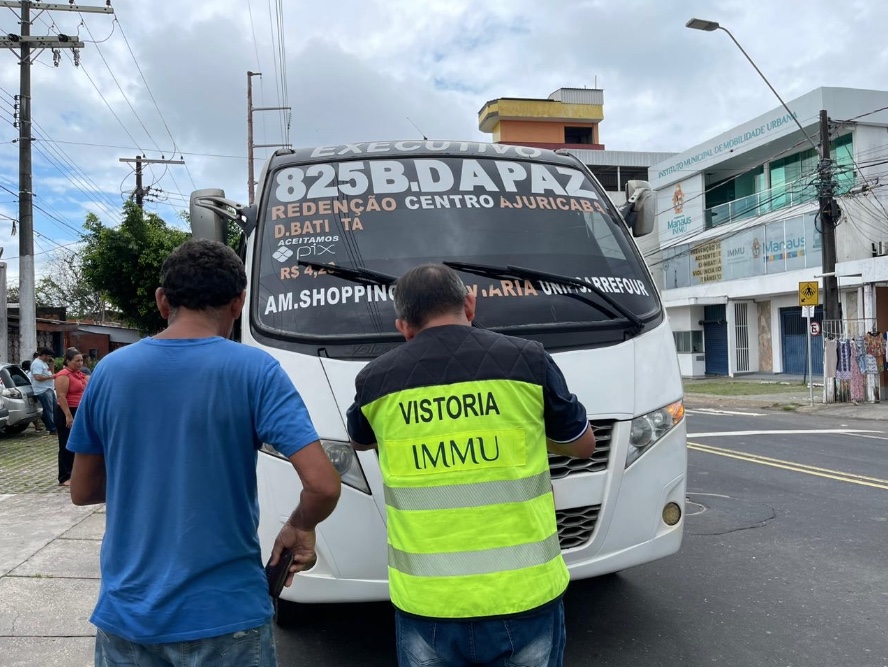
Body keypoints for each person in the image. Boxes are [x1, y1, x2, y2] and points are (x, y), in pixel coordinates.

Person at [66, 238, 341, 666]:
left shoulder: (109, 372)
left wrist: (149, 477)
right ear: (238, 303)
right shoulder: (255, 370)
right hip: (227, 616)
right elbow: (323, 485)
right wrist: (298, 525)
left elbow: (82, 490)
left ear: (162, 301)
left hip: (128, 615)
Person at [346, 264, 596, 667]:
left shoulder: (376, 381)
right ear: (469, 303)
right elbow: (583, 445)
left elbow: (360, 439)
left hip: (428, 602)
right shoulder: (529, 361)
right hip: (525, 594)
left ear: (404, 326)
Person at [55, 347, 88, 485]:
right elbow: (61, 396)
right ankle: (64, 476)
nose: (80, 363)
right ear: (68, 361)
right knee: (66, 444)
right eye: (76, 361)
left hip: (79, 411)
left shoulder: (79, 374)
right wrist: (68, 416)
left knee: (77, 443)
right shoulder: (63, 375)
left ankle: (75, 472)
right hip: (67, 411)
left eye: (81, 360)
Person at [30, 347, 58, 435]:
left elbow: (50, 373)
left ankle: (53, 426)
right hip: (42, 390)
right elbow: (37, 377)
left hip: (48, 388)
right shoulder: (37, 364)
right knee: (49, 410)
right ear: (44, 355)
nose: (49, 358)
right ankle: (52, 428)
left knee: (54, 409)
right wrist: (50, 377)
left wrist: (52, 365)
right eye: (49, 356)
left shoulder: (44, 363)